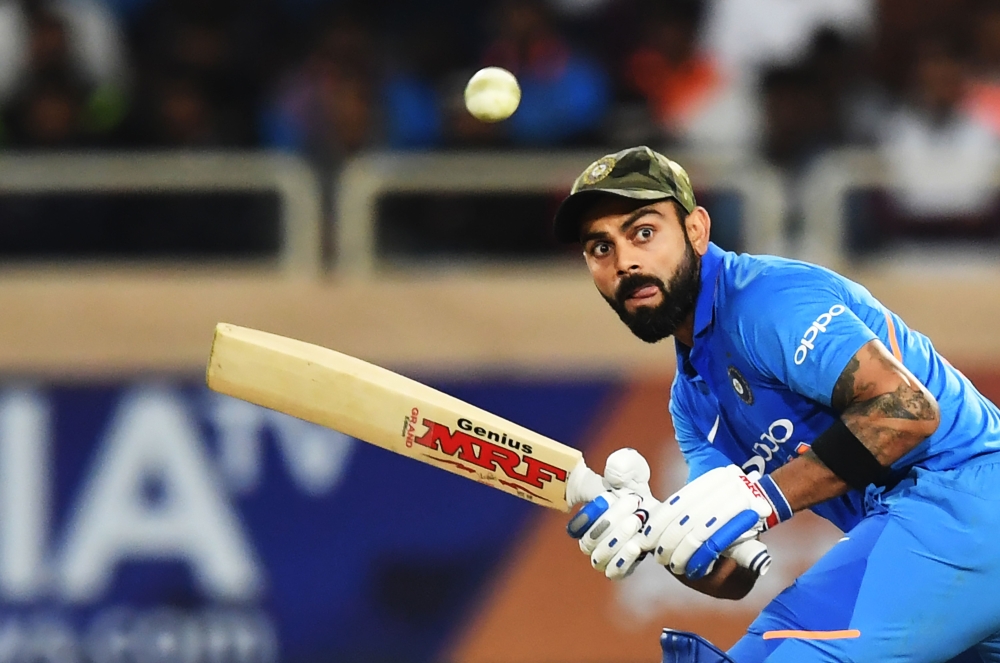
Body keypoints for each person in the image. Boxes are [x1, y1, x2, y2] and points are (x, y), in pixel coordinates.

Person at [554, 145, 1000, 663]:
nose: (625, 260)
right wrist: (660, 533)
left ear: (697, 230)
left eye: (644, 233)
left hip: (965, 498)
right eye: (600, 248)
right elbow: (733, 572)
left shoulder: (765, 302)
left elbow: (908, 409)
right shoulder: (692, 402)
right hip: (936, 543)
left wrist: (762, 496)